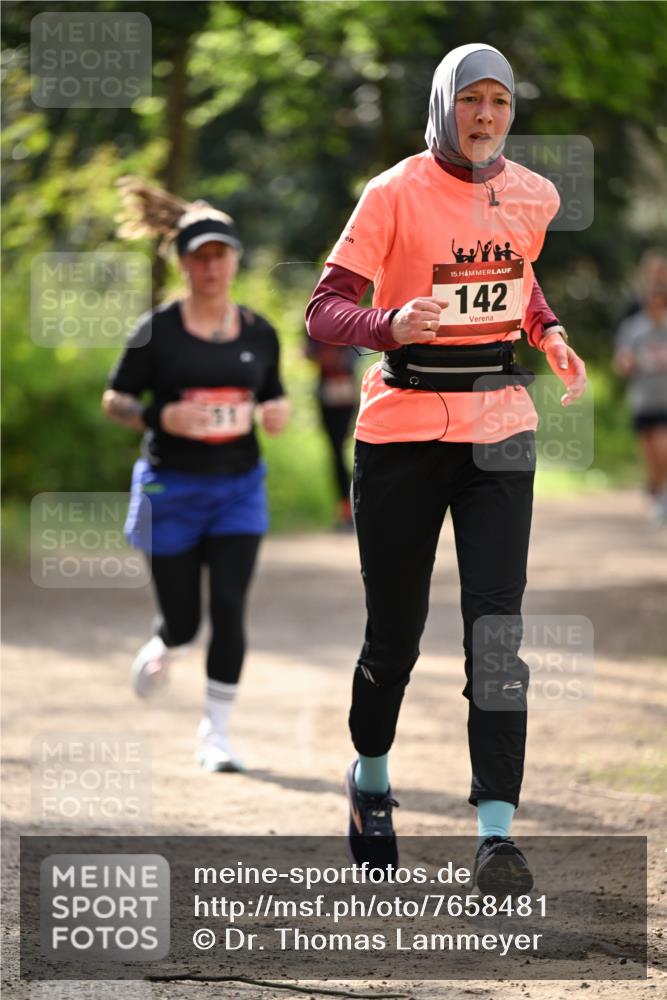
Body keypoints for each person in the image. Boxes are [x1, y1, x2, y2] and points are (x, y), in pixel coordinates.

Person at [306, 43, 587, 890]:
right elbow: (324, 310)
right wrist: (390, 324)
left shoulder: (532, 193)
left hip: (498, 425)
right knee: (392, 639)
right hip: (399, 432)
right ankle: (370, 779)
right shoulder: (393, 192)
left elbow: (514, 275)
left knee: (495, 638)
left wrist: (547, 332)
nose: (486, 116)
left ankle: (495, 835)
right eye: (472, 100)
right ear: (445, 105)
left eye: (500, 102)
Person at [102, 179, 290, 772]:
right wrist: (163, 414)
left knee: (230, 607)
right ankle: (166, 641)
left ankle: (216, 734)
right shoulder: (156, 330)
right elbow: (115, 400)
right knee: (184, 621)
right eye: (199, 256)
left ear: (234, 259)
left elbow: (273, 395)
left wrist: (275, 410)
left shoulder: (260, 332)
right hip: (171, 490)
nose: (210, 266)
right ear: (183, 263)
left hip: (238, 488)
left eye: (220, 254)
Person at [614, 280, 667, 526]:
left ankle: (662, 497)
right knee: (649, 453)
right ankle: (656, 492)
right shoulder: (633, 328)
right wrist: (626, 363)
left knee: (662, 448)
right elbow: (621, 361)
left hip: (664, 399)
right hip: (642, 399)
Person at [303, 335, 359, 529]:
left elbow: (361, 351)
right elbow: (307, 351)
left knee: (358, 448)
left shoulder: (350, 314)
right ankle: (345, 510)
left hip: (348, 390)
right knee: (335, 452)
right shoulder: (311, 317)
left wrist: (340, 357)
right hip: (326, 393)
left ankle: (363, 506)